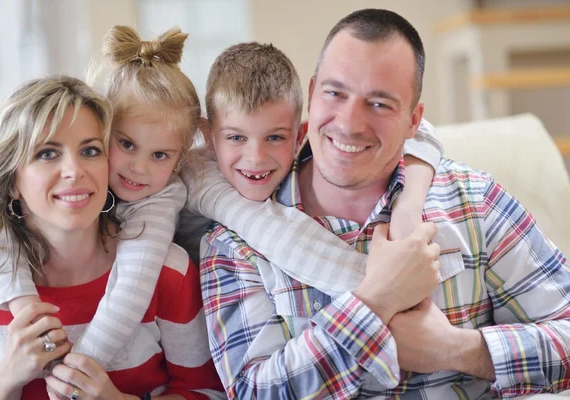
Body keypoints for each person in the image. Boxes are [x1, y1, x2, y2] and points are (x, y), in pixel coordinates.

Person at [199, 9, 570, 399]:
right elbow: (254, 392)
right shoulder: (234, 244)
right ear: (311, 95)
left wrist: (460, 350)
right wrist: (375, 302)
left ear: (414, 121)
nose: (349, 123)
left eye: (379, 103)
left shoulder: (473, 201)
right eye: (335, 93)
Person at [0, 75, 224, 399]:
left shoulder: (168, 272)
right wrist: (5, 380)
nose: (75, 170)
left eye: (90, 150)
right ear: (12, 181)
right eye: (48, 154)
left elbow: (207, 392)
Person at [0, 25, 198, 368]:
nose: (138, 169)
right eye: (126, 144)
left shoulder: (165, 253)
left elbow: (203, 388)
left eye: (89, 151)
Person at [178, 41, 443, 295]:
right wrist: (390, 287)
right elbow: (286, 240)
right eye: (236, 137)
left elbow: (421, 130)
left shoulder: (307, 163)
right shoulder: (198, 177)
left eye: (274, 137)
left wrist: (408, 207)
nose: (256, 158)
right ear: (208, 137)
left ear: (299, 137)